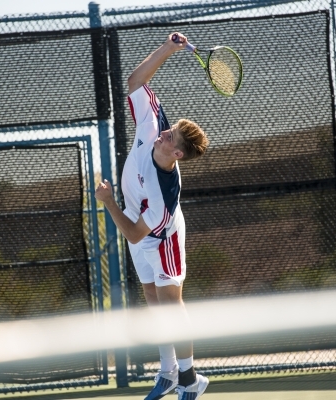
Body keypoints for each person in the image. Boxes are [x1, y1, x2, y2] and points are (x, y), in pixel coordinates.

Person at [95, 32, 210, 400]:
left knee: (171, 305)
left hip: (161, 238)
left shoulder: (164, 195)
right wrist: (169, 48)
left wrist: (108, 202)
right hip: (134, 217)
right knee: (150, 295)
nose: (163, 133)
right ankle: (168, 372)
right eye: (169, 128)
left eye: (169, 137)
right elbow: (135, 82)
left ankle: (191, 379)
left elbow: (134, 235)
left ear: (176, 154)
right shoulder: (152, 126)